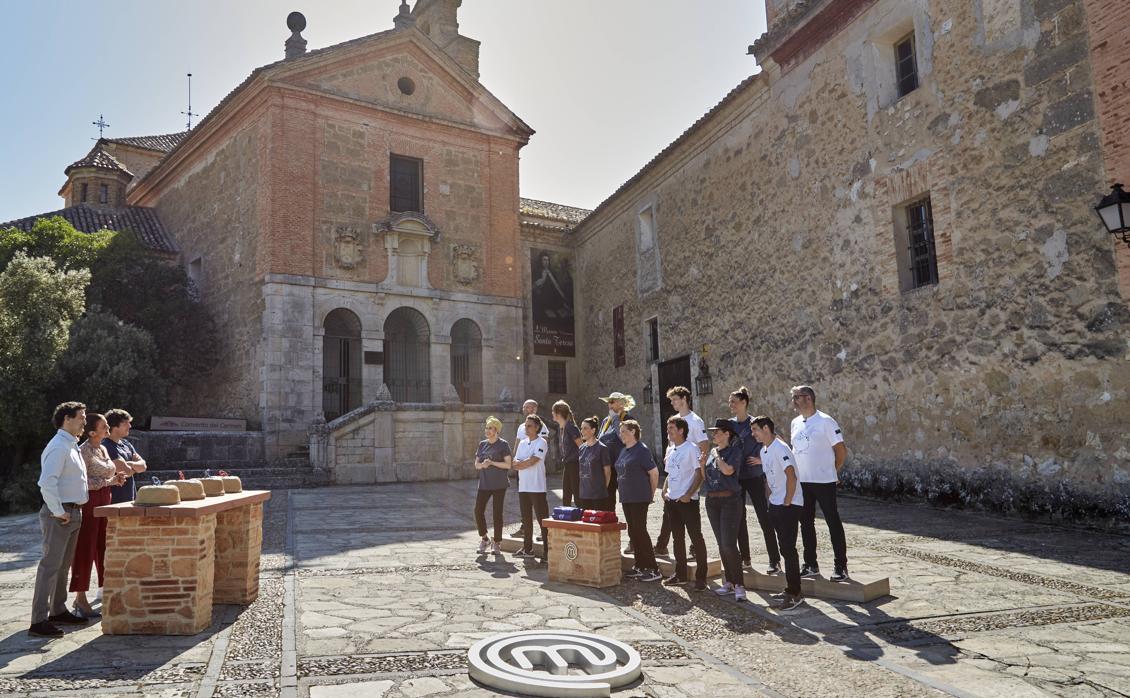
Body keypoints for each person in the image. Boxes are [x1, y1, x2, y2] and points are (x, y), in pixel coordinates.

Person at [29, 402, 91, 638]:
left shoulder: (70, 445)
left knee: (63, 566)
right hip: (61, 514)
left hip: (72, 511)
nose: (84, 421)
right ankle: (38, 621)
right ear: (67, 418)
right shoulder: (58, 446)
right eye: (81, 417)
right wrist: (58, 511)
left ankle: (57, 610)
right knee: (49, 567)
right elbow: (47, 482)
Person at [790, 385, 849, 581]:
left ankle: (841, 566)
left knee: (833, 521)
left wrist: (832, 470)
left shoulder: (826, 421)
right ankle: (810, 564)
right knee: (805, 523)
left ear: (807, 398)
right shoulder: (795, 423)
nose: (793, 401)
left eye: (796, 397)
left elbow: (841, 450)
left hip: (824, 481)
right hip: (803, 482)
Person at [70, 413, 124, 618]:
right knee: (86, 547)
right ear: (92, 431)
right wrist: (109, 481)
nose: (108, 427)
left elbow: (107, 471)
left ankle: (105, 590)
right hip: (90, 503)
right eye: (104, 425)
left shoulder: (102, 448)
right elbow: (84, 483)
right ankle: (80, 597)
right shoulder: (83, 451)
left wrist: (115, 478)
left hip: (105, 500)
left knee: (104, 545)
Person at [752, 416, 805, 611]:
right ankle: (790, 588)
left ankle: (795, 593)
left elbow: (791, 474)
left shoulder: (781, 448)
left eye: (755, 429)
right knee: (784, 548)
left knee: (789, 549)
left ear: (766, 428)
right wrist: (770, 501)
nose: (753, 434)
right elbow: (768, 478)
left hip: (788, 505)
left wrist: (787, 501)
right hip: (775, 504)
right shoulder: (764, 450)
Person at [731, 386, 780, 574]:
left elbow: (773, 441)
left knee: (764, 516)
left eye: (734, 402)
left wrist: (762, 459)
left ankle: (774, 560)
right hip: (736, 478)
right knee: (739, 518)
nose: (731, 405)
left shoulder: (755, 422)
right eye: (730, 402)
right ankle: (745, 558)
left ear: (744, 403)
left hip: (754, 476)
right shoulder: (730, 425)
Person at [654, 386, 707, 556]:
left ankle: (693, 548)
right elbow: (671, 443)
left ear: (684, 399)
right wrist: (668, 457)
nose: (672, 403)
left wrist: (701, 472)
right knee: (669, 511)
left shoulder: (696, 421)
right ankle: (662, 545)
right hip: (675, 471)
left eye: (674, 399)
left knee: (690, 512)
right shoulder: (674, 419)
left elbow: (703, 445)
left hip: (690, 472)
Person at [702, 419, 747, 601]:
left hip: (730, 500)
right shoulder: (713, 453)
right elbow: (705, 476)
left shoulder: (734, 452)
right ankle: (728, 581)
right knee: (722, 544)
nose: (714, 435)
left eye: (717, 432)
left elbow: (728, 471)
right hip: (713, 501)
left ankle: (739, 585)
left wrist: (717, 456)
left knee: (729, 544)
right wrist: (702, 464)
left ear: (727, 434)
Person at [660, 416, 707, 591]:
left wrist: (689, 494)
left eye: (672, 428)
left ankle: (701, 578)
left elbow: (699, 473)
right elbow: (669, 473)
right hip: (672, 501)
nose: (669, 431)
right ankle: (680, 574)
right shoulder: (671, 449)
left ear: (681, 430)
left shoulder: (692, 448)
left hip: (688, 502)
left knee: (696, 538)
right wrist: (664, 490)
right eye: (668, 428)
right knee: (677, 539)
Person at [615, 420, 661, 582]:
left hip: (639, 497)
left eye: (623, 431)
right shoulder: (623, 450)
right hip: (626, 497)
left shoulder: (642, 450)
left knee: (640, 531)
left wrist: (650, 495)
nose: (621, 434)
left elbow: (654, 473)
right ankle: (640, 566)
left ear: (633, 431)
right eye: (620, 431)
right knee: (633, 532)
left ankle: (653, 568)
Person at [473, 416, 512, 555]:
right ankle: (484, 538)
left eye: (491, 428)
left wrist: (492, 463)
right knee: (478, 511)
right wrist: (482, 465)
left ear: (497, 431)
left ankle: (497, 542)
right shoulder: (482, 444)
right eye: (487, 428)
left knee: (497, 514)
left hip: (499, 484)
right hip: (484, 483)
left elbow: (508, 464)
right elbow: (476, 465)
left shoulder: (503, 444)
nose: (488, 430)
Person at [513, 415, 550, 561]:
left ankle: (548, 551)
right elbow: (514, 462)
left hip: (537, 487)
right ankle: (527, 548)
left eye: (529, 426)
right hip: (523, 486)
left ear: (536, 427)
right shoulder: (522, 443)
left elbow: (534, 460)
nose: (526, 428)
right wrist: (523, 463)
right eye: (525, 425)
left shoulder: (542, 442)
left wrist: (522, 463)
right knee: (526, 519)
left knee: (543, 520)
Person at [511, 400, 548, 538]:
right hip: (524, 481)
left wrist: (523, 463)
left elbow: (535, 457)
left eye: (528, 407)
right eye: (524, 407)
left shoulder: (541, 430)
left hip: (536, 482)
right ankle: (527, 547)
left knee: (540, 514)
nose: (525, 409)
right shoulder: (521, 428)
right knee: (526, 515)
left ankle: (546, 545)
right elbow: (516, 451)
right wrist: (517, 463)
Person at [597, 391, 635, 520]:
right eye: (608, 402)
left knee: (628, 503)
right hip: (607, 467)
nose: (609, 405)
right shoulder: (605, 421)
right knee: (607, 502)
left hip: (623, 467)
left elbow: (625, 439)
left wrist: (615, 419)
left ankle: (634, 536)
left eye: (612, 402)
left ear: (621, 404)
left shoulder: (628, 419)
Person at [103, 409, 147, 504]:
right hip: (114, 501)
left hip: (130, 499)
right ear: (115, 426)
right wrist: (135, 466)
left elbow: (143, 466)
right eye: (126, 423)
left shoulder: (126, 443)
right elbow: (126, 471)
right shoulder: (106, 446)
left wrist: (130, 464)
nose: (130, 426)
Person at [576, 416, 612, 510]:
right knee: (586, 523)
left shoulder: (602, 448)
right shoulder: (581, 448)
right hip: (584, 494)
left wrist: (602, 489)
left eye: (585, 428)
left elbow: (607, 472)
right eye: (581, 428)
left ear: (593, 430)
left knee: (598, 523)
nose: (582, 431)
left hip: (598, 495)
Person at [552, 401, 582, 507]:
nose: (552, 414)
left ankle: (582, 518)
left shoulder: (570, 427)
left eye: (553, 411)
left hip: (575, 464)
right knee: (566, 495)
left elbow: (582, 447)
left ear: (558, 413)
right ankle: (566, 519)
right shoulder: (561, 428)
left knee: (577, 494)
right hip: (567, 464)